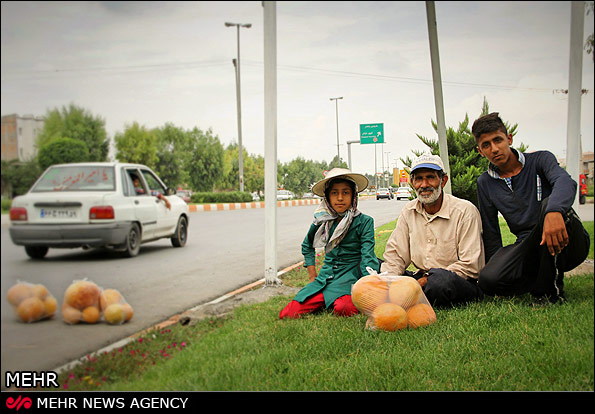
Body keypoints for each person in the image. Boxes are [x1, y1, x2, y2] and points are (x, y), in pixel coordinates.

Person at [472, 112, 590, 303]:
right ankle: (539, 278)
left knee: (548, 205)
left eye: (498, 140)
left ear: (509, 139)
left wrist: (553, 210)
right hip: (528, 245)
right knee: (488, 279)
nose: (494, 149)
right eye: (486, 145)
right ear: (480, 151)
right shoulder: (485, 182)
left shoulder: (540, 160)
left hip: (568, 239)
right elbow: (492, 231)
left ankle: (547, 294)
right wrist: (500, 266)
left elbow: (564, 182)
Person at [380, 154, 485, 308]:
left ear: (443, 181)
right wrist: (388, 281)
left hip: (457, 280)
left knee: (439, 283)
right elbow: (396, 254)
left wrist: (426, 279)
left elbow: (470, 265)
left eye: (430, 177)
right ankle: (409, 293)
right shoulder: (409, 211)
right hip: (421, 277)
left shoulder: (464, 211)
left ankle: (412, 295)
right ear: (412, 183)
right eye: (419, 179)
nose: (424, 184)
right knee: (373, 267)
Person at [279, 168, 379, 319]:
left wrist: (368, 286)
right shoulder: (321, 221)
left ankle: (333, 301)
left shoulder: (364, 222)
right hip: (325, 279)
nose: (340, 198)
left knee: (344, 309)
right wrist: (312, 277)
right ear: (327, 197)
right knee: (288, 314)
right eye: (334, 193)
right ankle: (326, 300)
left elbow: (367, 256)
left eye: (345, 192)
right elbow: (307, 245)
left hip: (350, 278)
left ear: (353, 196)